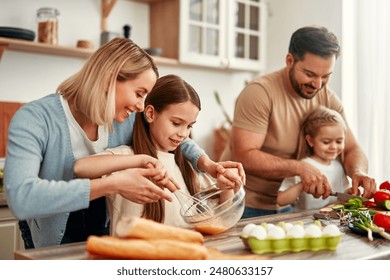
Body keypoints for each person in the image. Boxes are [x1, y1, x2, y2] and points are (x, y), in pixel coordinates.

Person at [4, 38, 243, 249]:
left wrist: (205, 162)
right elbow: (22, 198)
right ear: (109, 78)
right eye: (139, 93)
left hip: (102, 230)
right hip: (53, 230)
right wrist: (114, 184)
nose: (140, 107)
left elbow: (173, 138)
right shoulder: (35, 118)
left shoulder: (124, 117)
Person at [221, 25, 376, 218]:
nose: (318, 84)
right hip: (243, 204)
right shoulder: (259, 93)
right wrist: (299, 168)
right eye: (310, 74)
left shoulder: (328, 98)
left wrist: (358, 172)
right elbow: (244, 155)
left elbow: (351, 149)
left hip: (289, 208)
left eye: (326, 76)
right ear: (289, 61)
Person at [73, 74, 244, 233]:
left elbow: (219, 219)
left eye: (189, 126)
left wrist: (225, 188)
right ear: (150, 114)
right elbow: (81, 167)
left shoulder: (187, 165)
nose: (183, 133)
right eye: (176, 123)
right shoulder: (128, 158)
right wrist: (141, 160)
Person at [277, 106, 352, 211]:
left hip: (331, 221)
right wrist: (303, 184)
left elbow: (341, 196)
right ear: (310, 141)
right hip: (305, 222)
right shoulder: (304, 166)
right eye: (326, 142)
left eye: (339, 141)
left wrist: (350, 193)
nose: (334, 147)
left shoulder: (338, 166)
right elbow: (281, 200)